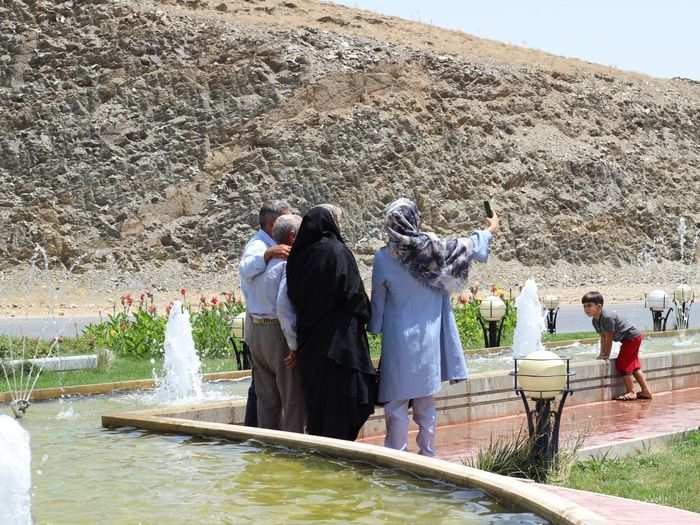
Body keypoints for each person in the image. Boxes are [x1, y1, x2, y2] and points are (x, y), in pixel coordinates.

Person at [368, 198, 498, 456]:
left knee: (396, 403)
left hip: (398, 341)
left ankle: (396, 454)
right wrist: (490, 229)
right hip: (430, 338)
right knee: (426, 403)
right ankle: (427, 454)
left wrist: (374, 328)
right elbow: (469, 245)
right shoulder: (435, 250)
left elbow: (378, 304)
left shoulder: (384, 257)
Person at [285, 205, 376, 440]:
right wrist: (368, 314)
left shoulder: (297, 257)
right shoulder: (337, 252)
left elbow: (290, 298)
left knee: (319, 406)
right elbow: (353, 293)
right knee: (344, 404)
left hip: (310, 344)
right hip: (341, 345)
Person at [247, 214, 306, 432]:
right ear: (292, 237)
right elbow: (283, 306)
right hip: (276, 332)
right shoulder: (285, 265)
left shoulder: (260, 264)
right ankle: (293, 450)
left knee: (267, 399)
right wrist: (293, 345)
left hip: (256, 331)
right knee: (292, 398)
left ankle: (269, 448)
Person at [239, 200, 291, 426]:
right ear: (272, 224)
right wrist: (268, 254)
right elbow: (247, 267)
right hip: (268, 327)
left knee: (267, 394)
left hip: (264, 327)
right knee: (278, 394)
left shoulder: (272, 244)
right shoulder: (259, 245)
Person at [582, 291, 653, 401]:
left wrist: (606, 355)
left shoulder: (607, 317)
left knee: (622, 364)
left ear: (599, 306)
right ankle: (646, 391)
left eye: (589, 305)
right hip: (631, 339)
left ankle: (631, 392)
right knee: (634, 367)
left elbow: (609, 338)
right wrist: (602, 354)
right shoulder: (595, 321)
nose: (586, 309)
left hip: (631, 338)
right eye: (585, 306)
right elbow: (603, 337)